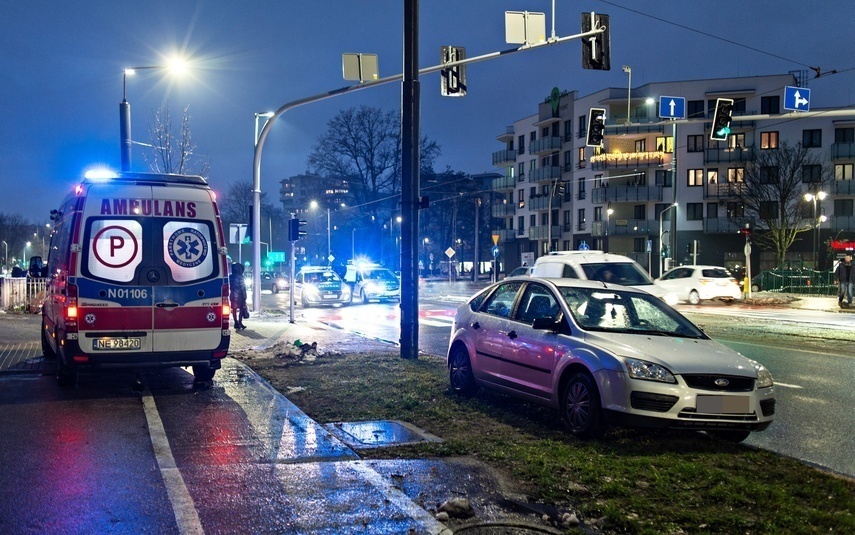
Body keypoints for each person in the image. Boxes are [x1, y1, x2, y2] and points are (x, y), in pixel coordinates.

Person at [229, 262, 248, 329]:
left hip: (233, 295)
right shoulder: (240, 277)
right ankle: (240, 322)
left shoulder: (230, 277)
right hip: (240, 296)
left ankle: (236, 322)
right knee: (241, 309)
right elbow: (243, 288)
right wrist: (245, 296)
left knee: (234, 309)